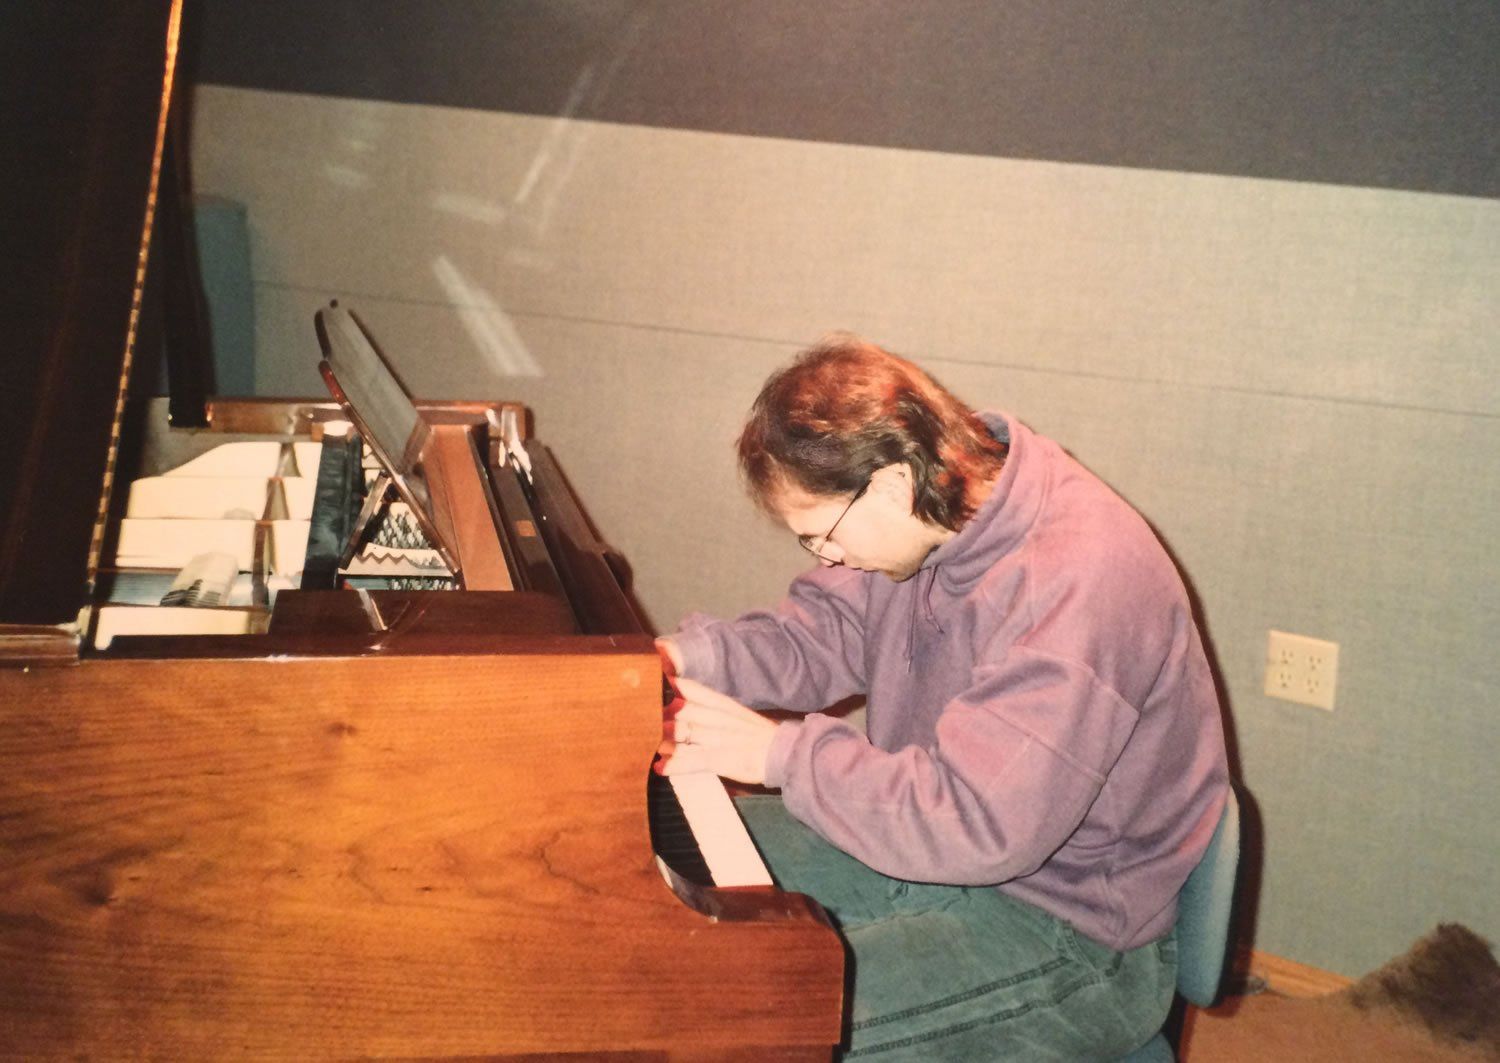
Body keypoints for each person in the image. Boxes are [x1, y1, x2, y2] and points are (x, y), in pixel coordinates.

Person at [656, 335, 1229, 1060]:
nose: (824, 557)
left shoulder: (1079, 580)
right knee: (671, 866)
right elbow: (822, 630)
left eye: (820, 537)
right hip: (939, 846)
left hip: (1076, 936)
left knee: (749, 1022)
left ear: (891, 486)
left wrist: (779, 753)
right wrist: (680, 659)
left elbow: (975, 818)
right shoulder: (938, 504)